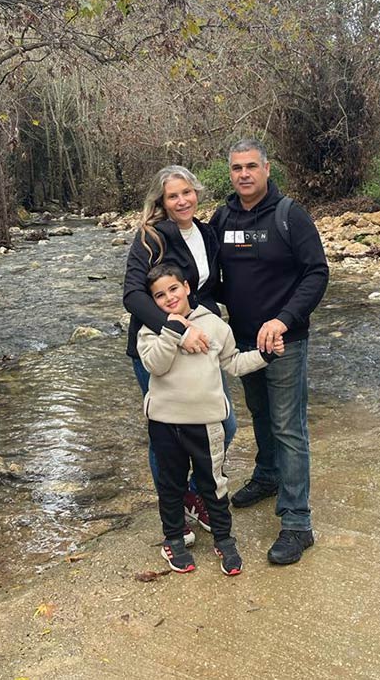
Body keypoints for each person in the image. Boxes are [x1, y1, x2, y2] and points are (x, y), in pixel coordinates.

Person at [210, 137, 329, 565]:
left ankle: (298, 523)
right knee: (260, 414)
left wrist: (283, 319)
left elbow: (316, 273)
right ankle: (267, 475)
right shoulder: (222, 218)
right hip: (243, 341)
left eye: (251, 166)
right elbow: (209, 276)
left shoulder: (289, 215)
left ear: (266, 169)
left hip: (284, 341)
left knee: (288, 427)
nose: (244, 174)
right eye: (236, 168)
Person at [137, 263, 283, 575]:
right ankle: (173, 539)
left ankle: (224, 538)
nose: (169, 298)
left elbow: (234, 363)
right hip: (164, 423)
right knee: (170, 484)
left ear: (187, 287)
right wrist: (174, 330)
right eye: (160, 295)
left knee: (213, 483)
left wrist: (266, 355)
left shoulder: (215, 325)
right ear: (153, 301)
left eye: (173, 289)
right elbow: (156, 365)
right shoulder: (150, 329)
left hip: (206, 423)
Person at [123, 165, 237, 543]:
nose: (182, 200)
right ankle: (175, 511)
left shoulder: (206, 232)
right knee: (167, 436)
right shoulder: (151, 236)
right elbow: (133, 295)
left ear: (196, 193)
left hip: (201, 345)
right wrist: (177, 329)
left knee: (224, 424)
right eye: (173, 196)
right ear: (162, 201)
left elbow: (211, 289)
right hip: (159, 345)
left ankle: (192, 493)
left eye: (187, 192)